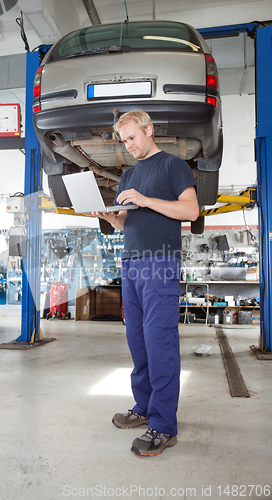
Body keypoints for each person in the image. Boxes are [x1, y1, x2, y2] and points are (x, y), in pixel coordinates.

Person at [92, 110, 199, 457]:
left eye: (133, 137)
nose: (129, 146)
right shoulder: (128, 176)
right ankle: (144, 407)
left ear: (149, 130)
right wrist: (110, 217)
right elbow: (127, 224)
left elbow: (191, 211)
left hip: (160, 263)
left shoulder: (173, 166)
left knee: (159, 342)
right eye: (124, 141)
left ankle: (164, 426)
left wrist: (145, 199)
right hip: (132, 264)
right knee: (138, 341)